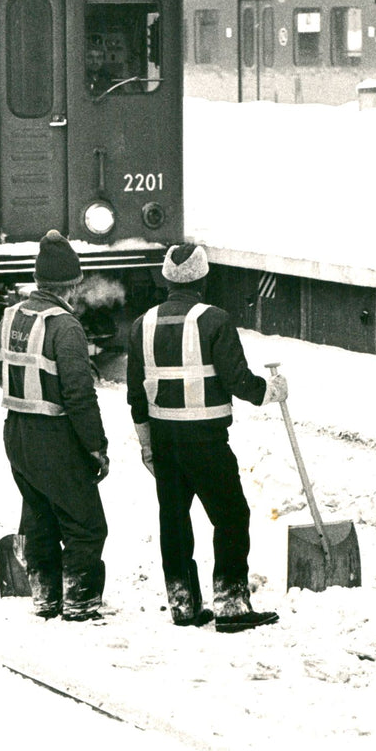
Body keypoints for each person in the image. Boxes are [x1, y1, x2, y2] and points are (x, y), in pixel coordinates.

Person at [126, 243, 288, 633]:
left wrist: (146, 443)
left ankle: (182, 604)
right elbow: (238, 380)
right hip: (206, 442)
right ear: (203, 277)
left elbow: (135, 395)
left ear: (167, 278)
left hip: (164, 441)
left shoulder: (141, 325)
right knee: (231, 517)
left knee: (174, 521)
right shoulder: (214, 320)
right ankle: (231, 605)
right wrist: (271, 390)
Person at [0, 230, 110, 623]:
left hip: (16, 433)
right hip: (54, 436)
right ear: (72, 285)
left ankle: (46, 598)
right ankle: (79, 602)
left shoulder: (12, 315)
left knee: (40, 515)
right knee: (86, 524)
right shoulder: (66, 326)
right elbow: (79, 394)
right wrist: (96, 445)